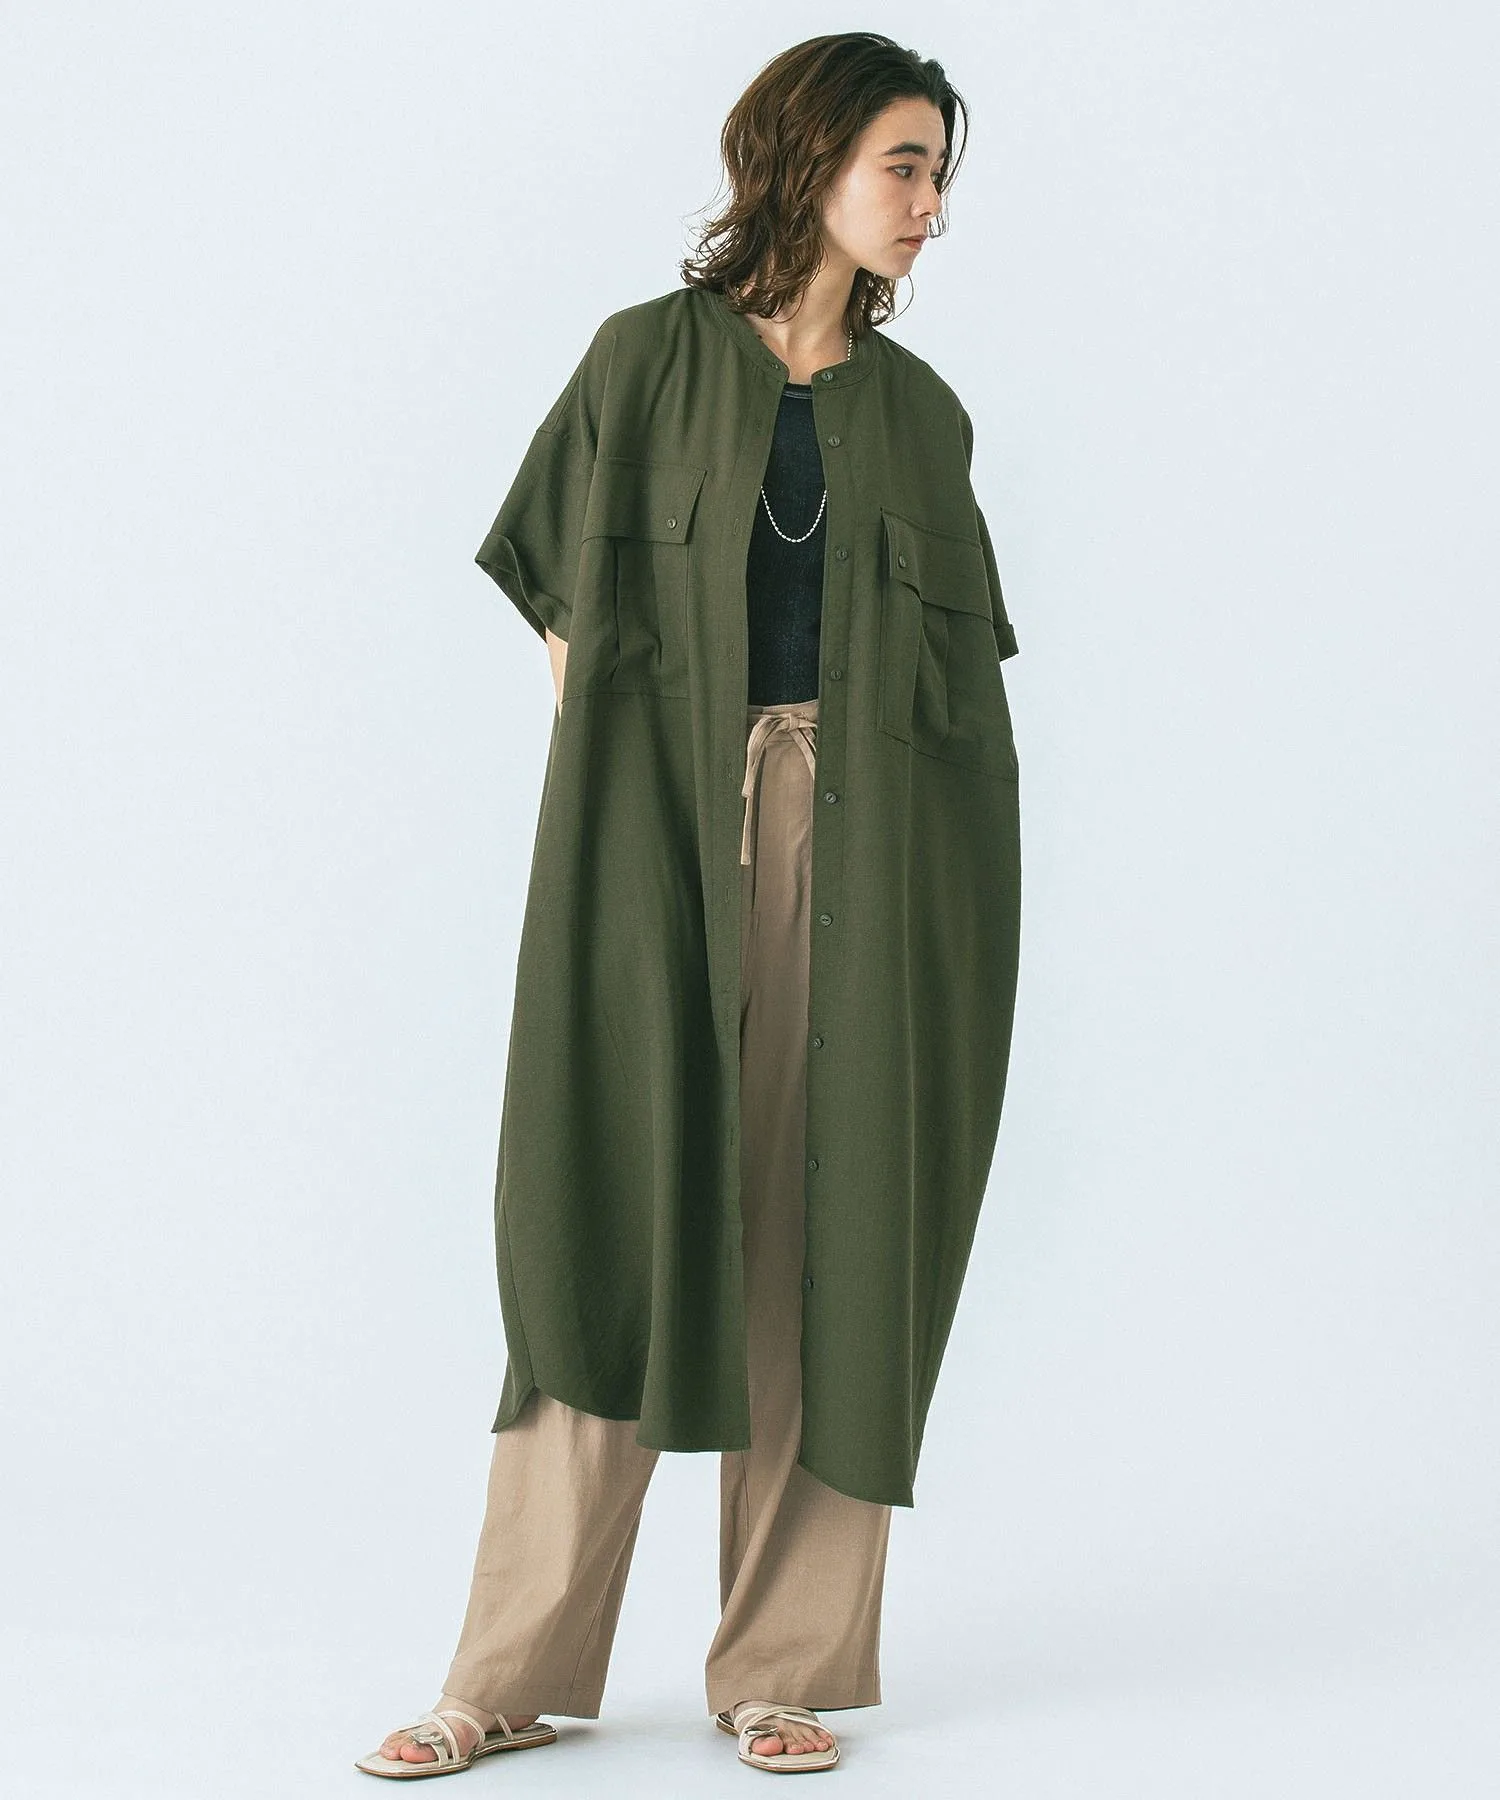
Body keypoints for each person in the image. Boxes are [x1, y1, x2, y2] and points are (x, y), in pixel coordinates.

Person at [356, 29, 1022, 1781]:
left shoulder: (922, 417)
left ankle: (778, 1667)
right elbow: (565, 617)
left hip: (867, 851)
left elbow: (957, 705)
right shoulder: (642, 363)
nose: (930, 203)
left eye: (941, 172)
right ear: (808, 160)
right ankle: (506, 1672)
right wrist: (647, 807)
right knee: (608, 1208)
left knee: (832, 1219)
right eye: (904, 164)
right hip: (656, 830)